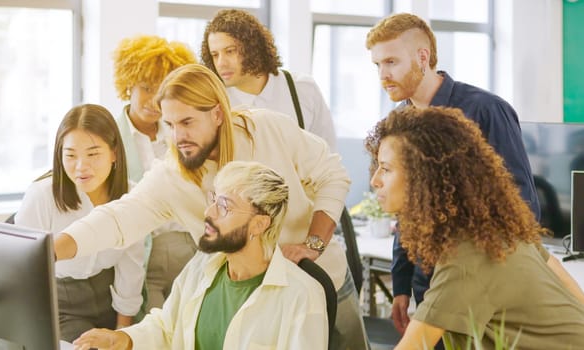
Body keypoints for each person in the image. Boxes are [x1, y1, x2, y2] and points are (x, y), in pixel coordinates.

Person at [53, 63, 368, 349]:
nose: (178, 137)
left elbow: (332, 175)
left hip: (320, 281)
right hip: (238, 291)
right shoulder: (172, 175)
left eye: (187, 121)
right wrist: (52, 250)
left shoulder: (266, 129)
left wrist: (313, 244)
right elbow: (118, 218)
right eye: (170, 125)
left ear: (218, 114)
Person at [365, 12, 541, 336]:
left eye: (391, 62)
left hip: (481, 287)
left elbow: (522, 204)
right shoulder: (401, 121)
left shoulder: (486, 110)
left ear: (423, 56)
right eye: (377, 65)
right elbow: (408, 211)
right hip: (427, 285)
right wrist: (401, 282)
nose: (383, 74)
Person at [365, 106, 584, 349]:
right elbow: (562, 279)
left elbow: (413, 346)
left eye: (385, 169)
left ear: (424, 176)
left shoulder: (467, 259)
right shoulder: (494, 231)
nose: (375, 180)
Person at [72, 161, 329, 349]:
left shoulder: (302, 296)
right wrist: (123, 339)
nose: (209, 212)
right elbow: (167, 326)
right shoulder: (203, 265)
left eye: (225, 206)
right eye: (214, 199)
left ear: (259, 225)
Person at [15, 104, 145, 342]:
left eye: (93, 154)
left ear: (114, 153)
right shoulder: (41, 196)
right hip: (59, 301)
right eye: (71, 155)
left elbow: (130, 269)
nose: (81, 166)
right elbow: (23, 273)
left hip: (110, 297)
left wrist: (121, 334)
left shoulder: (132, 197)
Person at [113, 34, 198, 312]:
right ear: (129, 85)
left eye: (161, 91)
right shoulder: (110, 137)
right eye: (146, 88)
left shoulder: (181, 131)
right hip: (145, 255)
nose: (153, 101)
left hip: (193, 248)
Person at [201, 9, 337, 150]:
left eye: (230, 51)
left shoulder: (302, 89)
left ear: (253, 48)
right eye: (215, 55)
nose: (221, 63)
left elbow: (328, 154)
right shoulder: (213, 101)